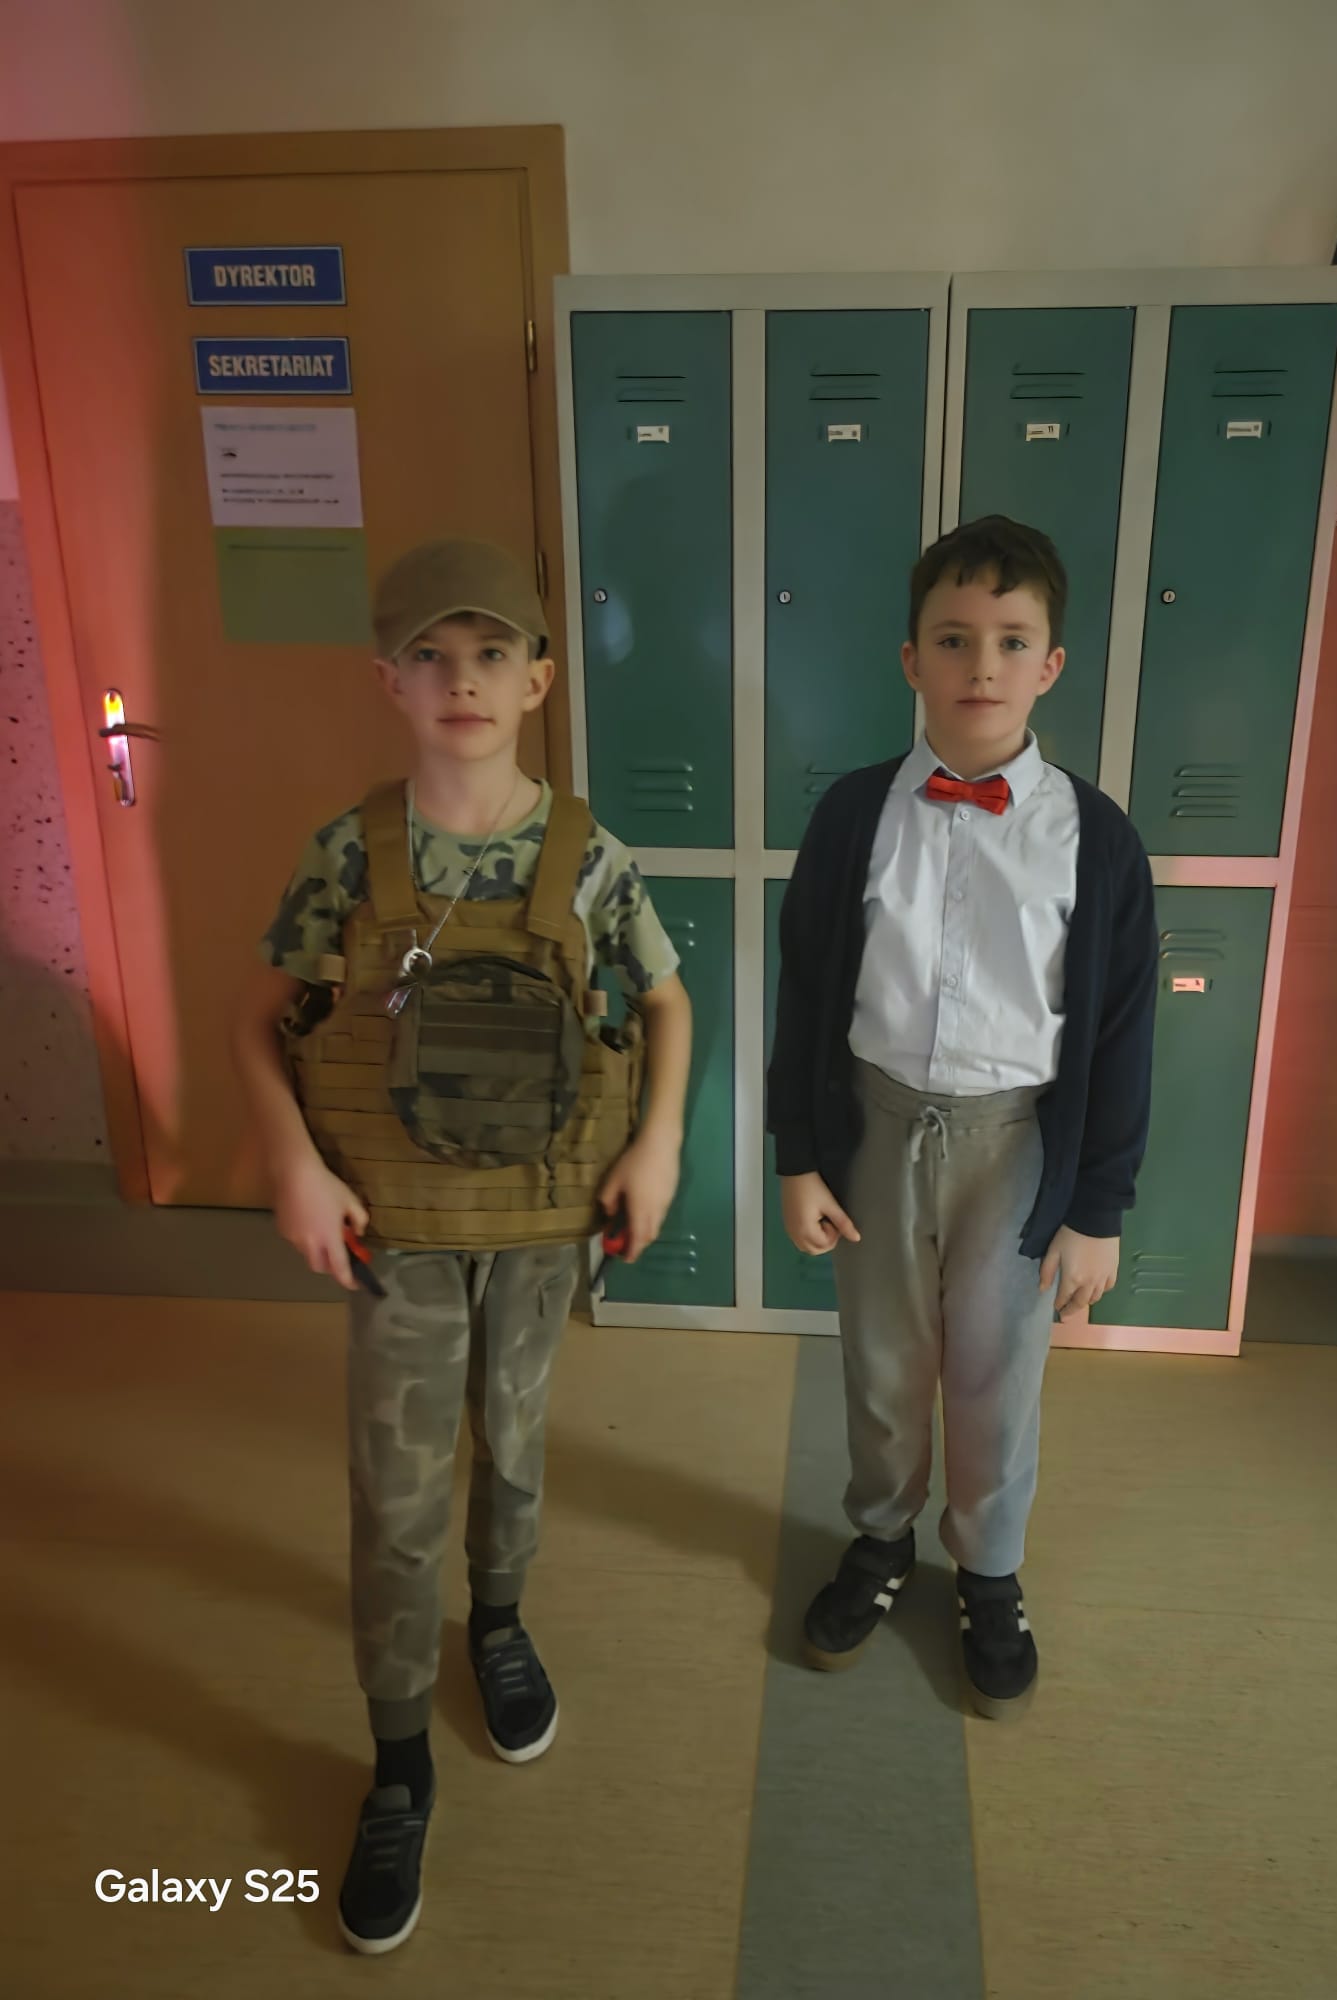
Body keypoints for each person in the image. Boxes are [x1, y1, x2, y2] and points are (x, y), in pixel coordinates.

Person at [233, 539, 691, 1952]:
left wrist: (660, 1144)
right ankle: (397, 1763)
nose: (463, 680)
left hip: (545, 1216)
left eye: (492, 653)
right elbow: (258, 1021)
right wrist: (293, 1163)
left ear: (539, 679)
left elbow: (665, 1002)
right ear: (389, 680)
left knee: (519, 1433)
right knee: (397, 1486)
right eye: (430, 655)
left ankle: (497, 1621)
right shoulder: (349, 852)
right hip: (397, 1227)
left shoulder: (588, 853)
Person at [767, 515, 1157, 1718]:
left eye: (1011, 640)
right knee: (884, 1361)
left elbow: (1121, 1032)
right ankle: (882, 1536)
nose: (981, 665)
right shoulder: (852, 816)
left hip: (1016, 1143)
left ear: (1050, 664)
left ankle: (988, 1566)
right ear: (911, 658)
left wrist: (1098, 1206)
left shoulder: (1094, 837)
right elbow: (805, 997)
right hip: (874, 1128)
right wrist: (799, 1155)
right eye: (953, 638)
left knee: (996, 1368)